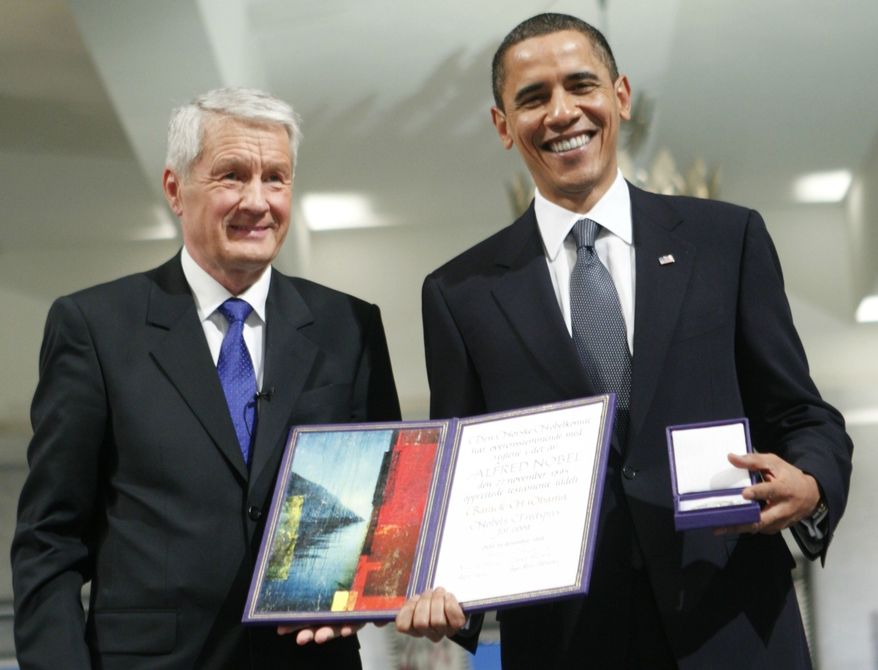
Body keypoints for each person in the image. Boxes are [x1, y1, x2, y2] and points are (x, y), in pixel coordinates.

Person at [395, 13, 853, 669]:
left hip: (733, 627)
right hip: (565, 643)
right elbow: (458, 482)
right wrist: (442, 587)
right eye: (532, 97)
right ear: (502, 126)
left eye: (581, 85)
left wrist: (810, 479)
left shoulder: (727, 241)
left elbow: (802, 415)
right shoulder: (458, 293)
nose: (561, 112)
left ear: (621, 96)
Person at [11, 87, 400, 669]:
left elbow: (387, 507)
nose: (258, 200)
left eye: (276, 177)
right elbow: (50, 540)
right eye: (232, 176)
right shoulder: (95, 327)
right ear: (175, 189)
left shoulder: (350, 326)